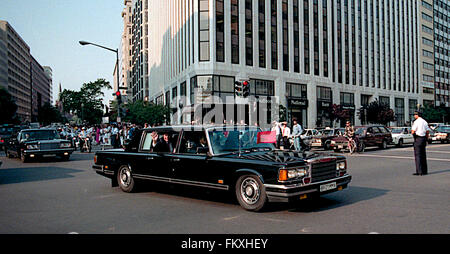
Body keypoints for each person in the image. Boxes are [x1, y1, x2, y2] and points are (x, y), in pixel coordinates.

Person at [411, 111, 430, 176]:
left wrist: (415, 138)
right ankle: (424, 170)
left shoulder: (416, 122)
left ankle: (419, 171)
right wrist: (426, 139)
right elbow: (427, 131)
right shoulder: (425, 122)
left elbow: (413, 131)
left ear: (417, 115)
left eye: (415, 114)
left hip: (418, 138)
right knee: (423, 155)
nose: (414, 116)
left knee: (418, 155)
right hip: (424, 138)